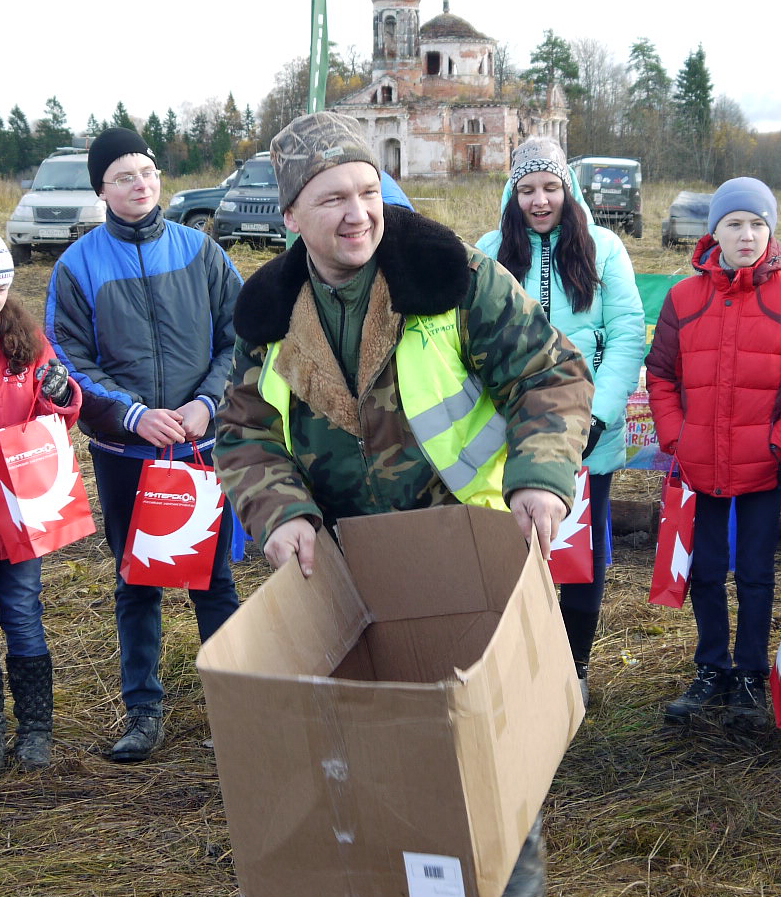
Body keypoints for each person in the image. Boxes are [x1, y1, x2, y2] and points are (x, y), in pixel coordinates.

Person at [212, 111, 594, 897]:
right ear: (291, 216)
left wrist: (538, 476)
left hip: (468, 556)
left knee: (493, 773)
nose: (358, 213)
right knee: (375, 771)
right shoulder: (268, 314)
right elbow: (244, 433)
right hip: (344, 578)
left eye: (366, 191)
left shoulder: (446, 274)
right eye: (332, 199)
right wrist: (281, 513)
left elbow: (549, 374)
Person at [45, 128, 242, 763]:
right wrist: (131, 415)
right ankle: (143, 711)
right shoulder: (77, 267)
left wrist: (206, 403)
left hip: (198, 449)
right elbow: (65, 358)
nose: (141, 185)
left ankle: (239, 704)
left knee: (214, 579)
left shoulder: (201, 251)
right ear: (101, 189)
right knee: (136, 581)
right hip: (126, 454)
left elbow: (240, 337)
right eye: (125, 176)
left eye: (148, 172)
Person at [477, 137, 645, 705]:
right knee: (510, 549)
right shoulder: (490, 250)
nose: (540, 200)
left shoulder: (605, 248)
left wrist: (595, 416)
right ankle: (515, 664)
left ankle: (574, 667)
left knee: (578, 551)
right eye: (527, 189)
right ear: (513, 193)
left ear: (568, 191)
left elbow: (626, 333)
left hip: (588, 436)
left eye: (550, 187)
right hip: (510, 435)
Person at [646, 177, 781, 730]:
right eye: (735, 223)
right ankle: (711, 667)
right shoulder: (684, 298)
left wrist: (780, 442)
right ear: (715, 232)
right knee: (706, 571)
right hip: (700, 464)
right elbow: (661, 374)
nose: (747, 235)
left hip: (762, 465)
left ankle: (751, 677)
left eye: (758, 224)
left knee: (756, 573)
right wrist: (676, 436)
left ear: (770, 232)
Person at [0, 226, 81, 771]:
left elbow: (55, 415)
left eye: (1, 287)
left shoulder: (24, 339)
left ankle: (35, 729)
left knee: (25, 613)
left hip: (23, 506)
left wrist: (62, 395)